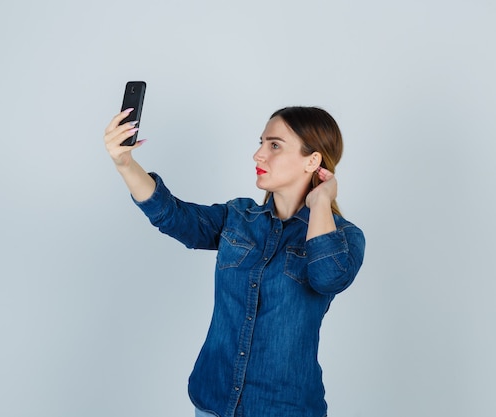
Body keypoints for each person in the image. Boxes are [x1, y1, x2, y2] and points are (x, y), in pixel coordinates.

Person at [103, 106, 366, 417]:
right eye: (261, 142)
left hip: (284, 408)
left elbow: (328, 278)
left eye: (275, 145)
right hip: (214, 400)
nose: (258, 155)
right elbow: (172, 216)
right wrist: (125, 163)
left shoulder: (346, 237)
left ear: (313, 160)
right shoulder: (238, 217)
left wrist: (320, 200)